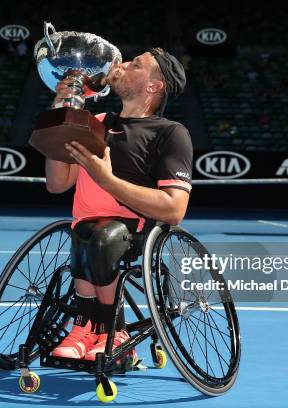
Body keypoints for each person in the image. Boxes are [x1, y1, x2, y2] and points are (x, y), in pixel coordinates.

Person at [45, 48, 192, 361]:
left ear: (154, 86)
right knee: (87, 233)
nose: (121, 64)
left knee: (100, 236)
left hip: (133, 232)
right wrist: (62, 113)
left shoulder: (170, 133)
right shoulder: (95, 122)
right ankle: (83, 328)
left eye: (135, 64)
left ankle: (114, 328)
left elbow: (174, 209)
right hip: (85, 231)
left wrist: (107, 180)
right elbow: (57, 183)